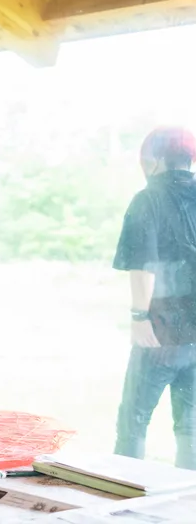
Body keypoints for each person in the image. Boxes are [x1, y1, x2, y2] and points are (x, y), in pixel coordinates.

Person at [113, 126, 196, 470]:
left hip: (160, 332)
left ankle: (122, 488)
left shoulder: (147, 199)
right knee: (190, 426)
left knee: (133, 420)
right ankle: (189, 495)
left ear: (157, 159)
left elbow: (143, 265)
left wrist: (139, 316)